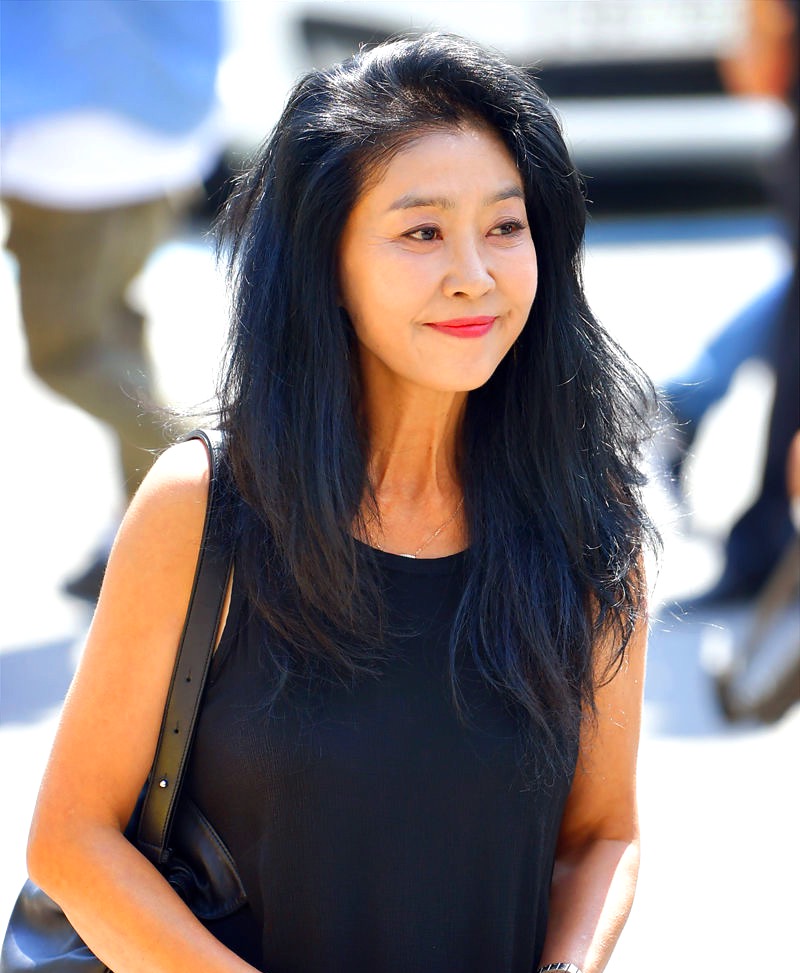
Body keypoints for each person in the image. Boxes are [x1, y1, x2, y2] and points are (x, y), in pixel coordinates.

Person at [23, 33, 656, 973]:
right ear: (327, 262)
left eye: (506, 226)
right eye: (421, 232)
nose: (475, 273)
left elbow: (601, 835)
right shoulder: (205, 506)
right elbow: (73, 839)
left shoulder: (586, 520)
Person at [0, 0, 224, 599]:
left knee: (72, 354)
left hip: (73, 150)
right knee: (111, 337)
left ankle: (211, 486)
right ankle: (157, 526)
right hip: (155, 124)